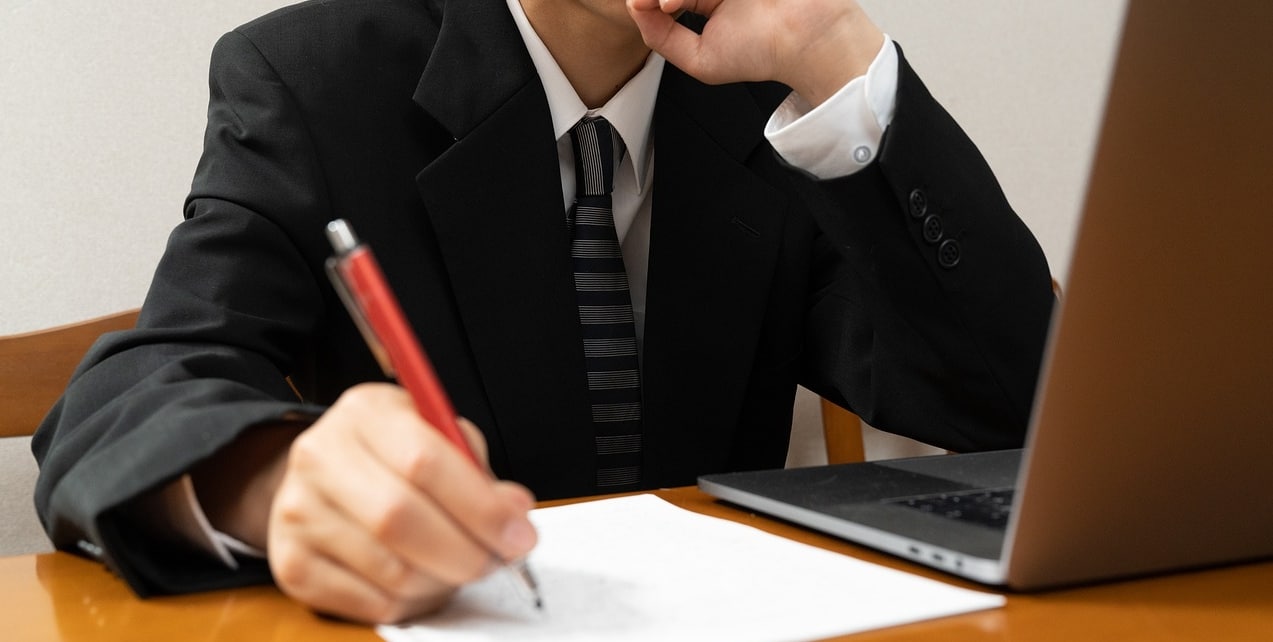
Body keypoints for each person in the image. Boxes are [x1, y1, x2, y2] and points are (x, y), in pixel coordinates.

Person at [33, 0, 1055, 625]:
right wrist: (272, 481)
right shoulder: (313, 78)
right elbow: (128, 394)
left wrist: (835, 48)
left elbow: (1016, 404)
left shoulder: (775, 94)